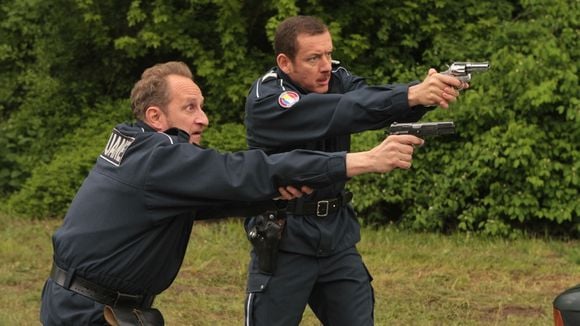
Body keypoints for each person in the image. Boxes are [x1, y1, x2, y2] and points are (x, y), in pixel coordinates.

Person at [39, 61, 424, 325]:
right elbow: (240, 171)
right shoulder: (158, 157)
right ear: (155, 116)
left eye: (202, 107)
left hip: (91, 304)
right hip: (90, 311)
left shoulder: (137, 147)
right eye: (189, 107)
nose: (203, 118)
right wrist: (363, 160)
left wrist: (273, 196)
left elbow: (211, 198)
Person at [243, 16, 467, 326]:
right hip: (285, 237)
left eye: (328, 54)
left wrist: (428, 92)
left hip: (336, 235)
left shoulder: (335, 76)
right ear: (285, 62)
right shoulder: (267, 97)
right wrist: (410, 94)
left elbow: (370, 101)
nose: (326, 65)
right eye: (313, 58)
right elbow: (341, 111)